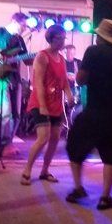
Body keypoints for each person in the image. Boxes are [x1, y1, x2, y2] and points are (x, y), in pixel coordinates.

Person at [65, 19, 112, 210]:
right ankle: (105, 197)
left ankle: (78, 188)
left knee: (74, 146)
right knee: (111, 154)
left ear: (101, 37)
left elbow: (80, 79)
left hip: (94, 110)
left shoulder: (93, 52)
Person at [20, 24, 73, 185]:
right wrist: (42, 106)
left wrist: (69, 94)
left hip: (55, 103)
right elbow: (38, 83)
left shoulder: (61, 58)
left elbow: (63, 81)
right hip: (40, 102)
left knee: (55, 138)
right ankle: (27, 170)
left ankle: (45, 170)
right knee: (43, 138)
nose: (63, 41)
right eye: (60, 38)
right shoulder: (42, 57)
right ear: (51, 39)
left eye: (64, 38)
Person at [0, 12, 30, 157]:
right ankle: (4, 146)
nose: (25, 28)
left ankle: (9, 143)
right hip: (0, 77)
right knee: (6, 113)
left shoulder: (20, 40)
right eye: (23, 25)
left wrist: (39, 57)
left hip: (15, 77)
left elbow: (26, 60)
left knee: (16, 115)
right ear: (15, 21)